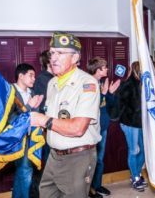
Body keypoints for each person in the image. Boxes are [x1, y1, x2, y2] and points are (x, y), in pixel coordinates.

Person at [30, 32, 101, 198]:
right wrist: (33, 112)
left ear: (75, 57)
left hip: (78, 158)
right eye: (52, 53)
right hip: (54, 156)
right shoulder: (52, 83)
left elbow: (77, 128)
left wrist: (43, 120)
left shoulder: (87, 83)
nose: (53, 58)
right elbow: (52, 120)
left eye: (60, 53)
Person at [87, 57, 120, 198]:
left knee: (99, 160)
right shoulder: (87, 84)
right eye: (105, 67)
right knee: (90, 161)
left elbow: (108, 104)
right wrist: (104, 94)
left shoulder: (101, 82)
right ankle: (89, 190)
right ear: (98, 69)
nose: (107, 69)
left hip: (103, 127)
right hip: (92, 129)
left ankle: (97, 186)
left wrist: (110, 93)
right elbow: (90, 105)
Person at [11, 63, 44, 198]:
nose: (33, 79)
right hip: (19, 139)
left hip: (32, 137)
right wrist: (29, 106)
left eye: (34, 76)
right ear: (21, 76)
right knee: (25, 172)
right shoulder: (11, 92)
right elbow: (11, 119)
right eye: (31, 75)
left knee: (25, 172)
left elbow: (36, 114)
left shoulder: (32, 92)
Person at [117, 61, 147, 192]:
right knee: (134, 150)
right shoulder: (128, 85)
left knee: (145, 151)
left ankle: (137, 172)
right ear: (137, 70)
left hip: (141, 123)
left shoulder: (144, 84)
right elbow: (119, 103)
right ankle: (135, 177)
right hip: (129, 123)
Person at [30, 50, 54, 198]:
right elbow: (42, 106)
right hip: (45, 130)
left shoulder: (54, 78)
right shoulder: (43, 79)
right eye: (55, 56)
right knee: (42, 167)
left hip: (54, 128)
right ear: (48, 62)